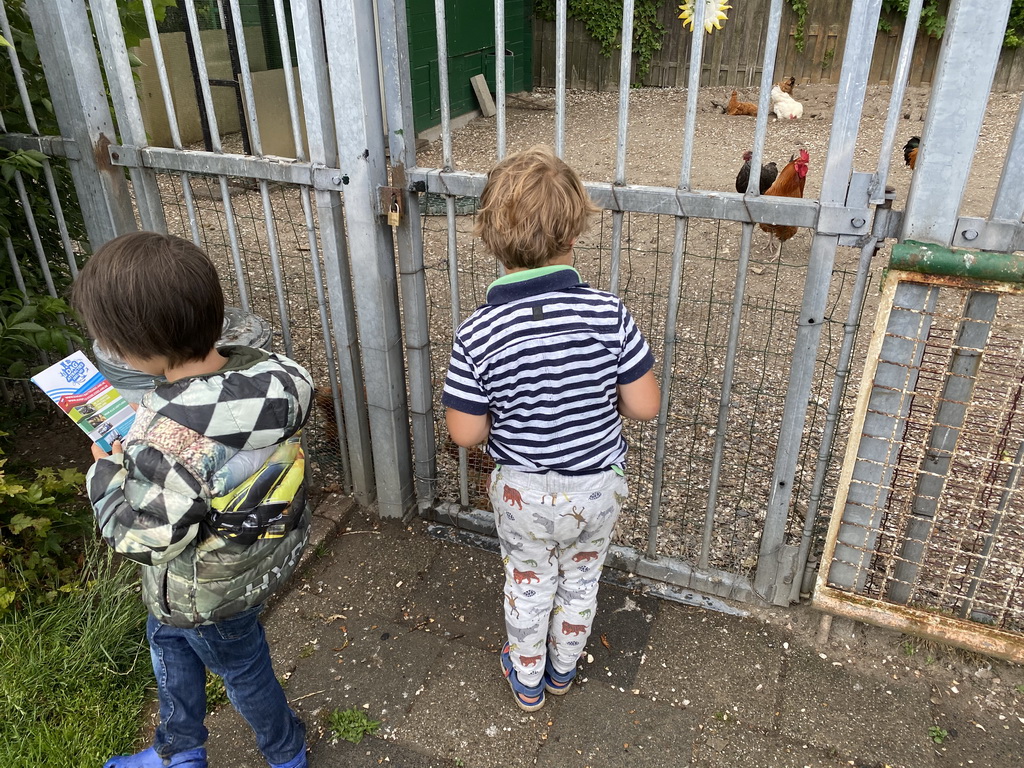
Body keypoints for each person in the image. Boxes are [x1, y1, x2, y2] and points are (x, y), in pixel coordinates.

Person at [72, 232, 313, 768]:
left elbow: (144, 536)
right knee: (167, 640)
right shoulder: (279, 381)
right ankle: (179, 748)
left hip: (204, 590)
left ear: (138, 349)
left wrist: (106, 471)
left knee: (242, 667)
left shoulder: (167, 434)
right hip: (250, 553)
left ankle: (286, 750)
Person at [441, 145, 661, 711]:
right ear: (573, 233)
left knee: (530, 583)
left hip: (524, 493)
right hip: (596, 488)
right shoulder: (609, 313)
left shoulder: (479, 331)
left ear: (492, 237)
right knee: (582, 582)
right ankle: (564, 672)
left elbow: (465, 434)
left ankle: (529, 679)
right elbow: (644, 406)